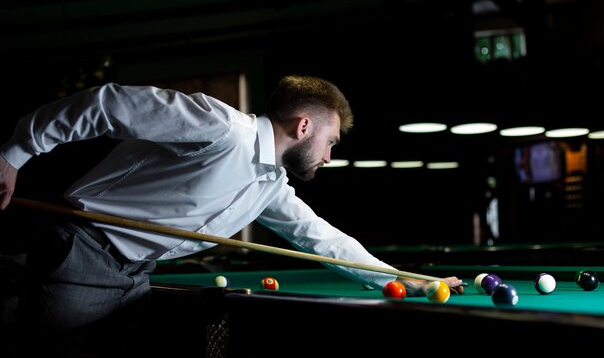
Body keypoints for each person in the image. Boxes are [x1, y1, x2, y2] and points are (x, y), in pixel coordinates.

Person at [0, 75, 463, 356]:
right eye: (330, 142)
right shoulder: (221, 127)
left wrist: (397, 278)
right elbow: (109, 104)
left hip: (134, 274)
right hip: (83, 249)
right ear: (304, 126)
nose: (328, 156)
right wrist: (16, 152)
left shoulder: (269, 186)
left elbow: (319, 236)